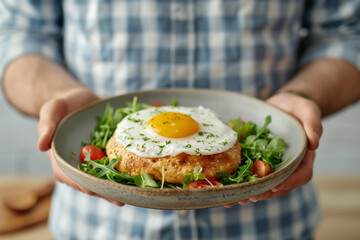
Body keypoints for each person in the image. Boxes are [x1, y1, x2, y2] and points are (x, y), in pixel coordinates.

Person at [1, 0, 359, 239]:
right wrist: (57, 96)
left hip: (269, 222)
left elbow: (346, 34)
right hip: (97, 226)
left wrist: (304, 98)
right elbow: (19, 33)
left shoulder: (222, 147)